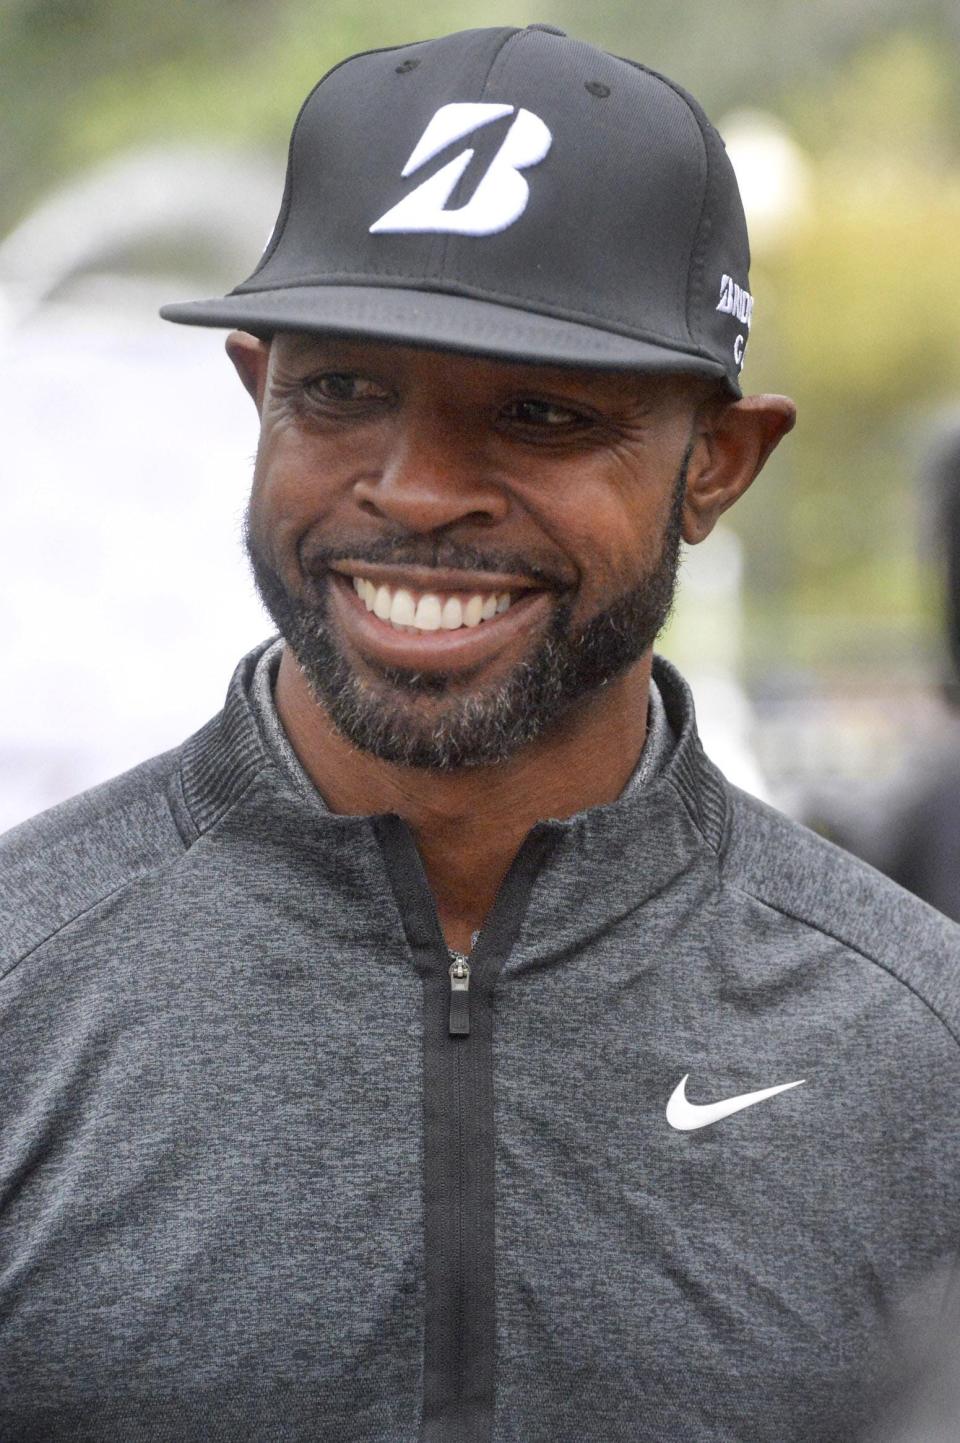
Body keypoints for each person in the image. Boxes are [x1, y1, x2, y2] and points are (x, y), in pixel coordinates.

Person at [1, 24, 958, 1443]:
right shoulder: (25, 984)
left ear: (720, 466)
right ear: (258, 390)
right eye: (343, 391)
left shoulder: (915, 1042)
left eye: (540, 412)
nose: (418, 490)